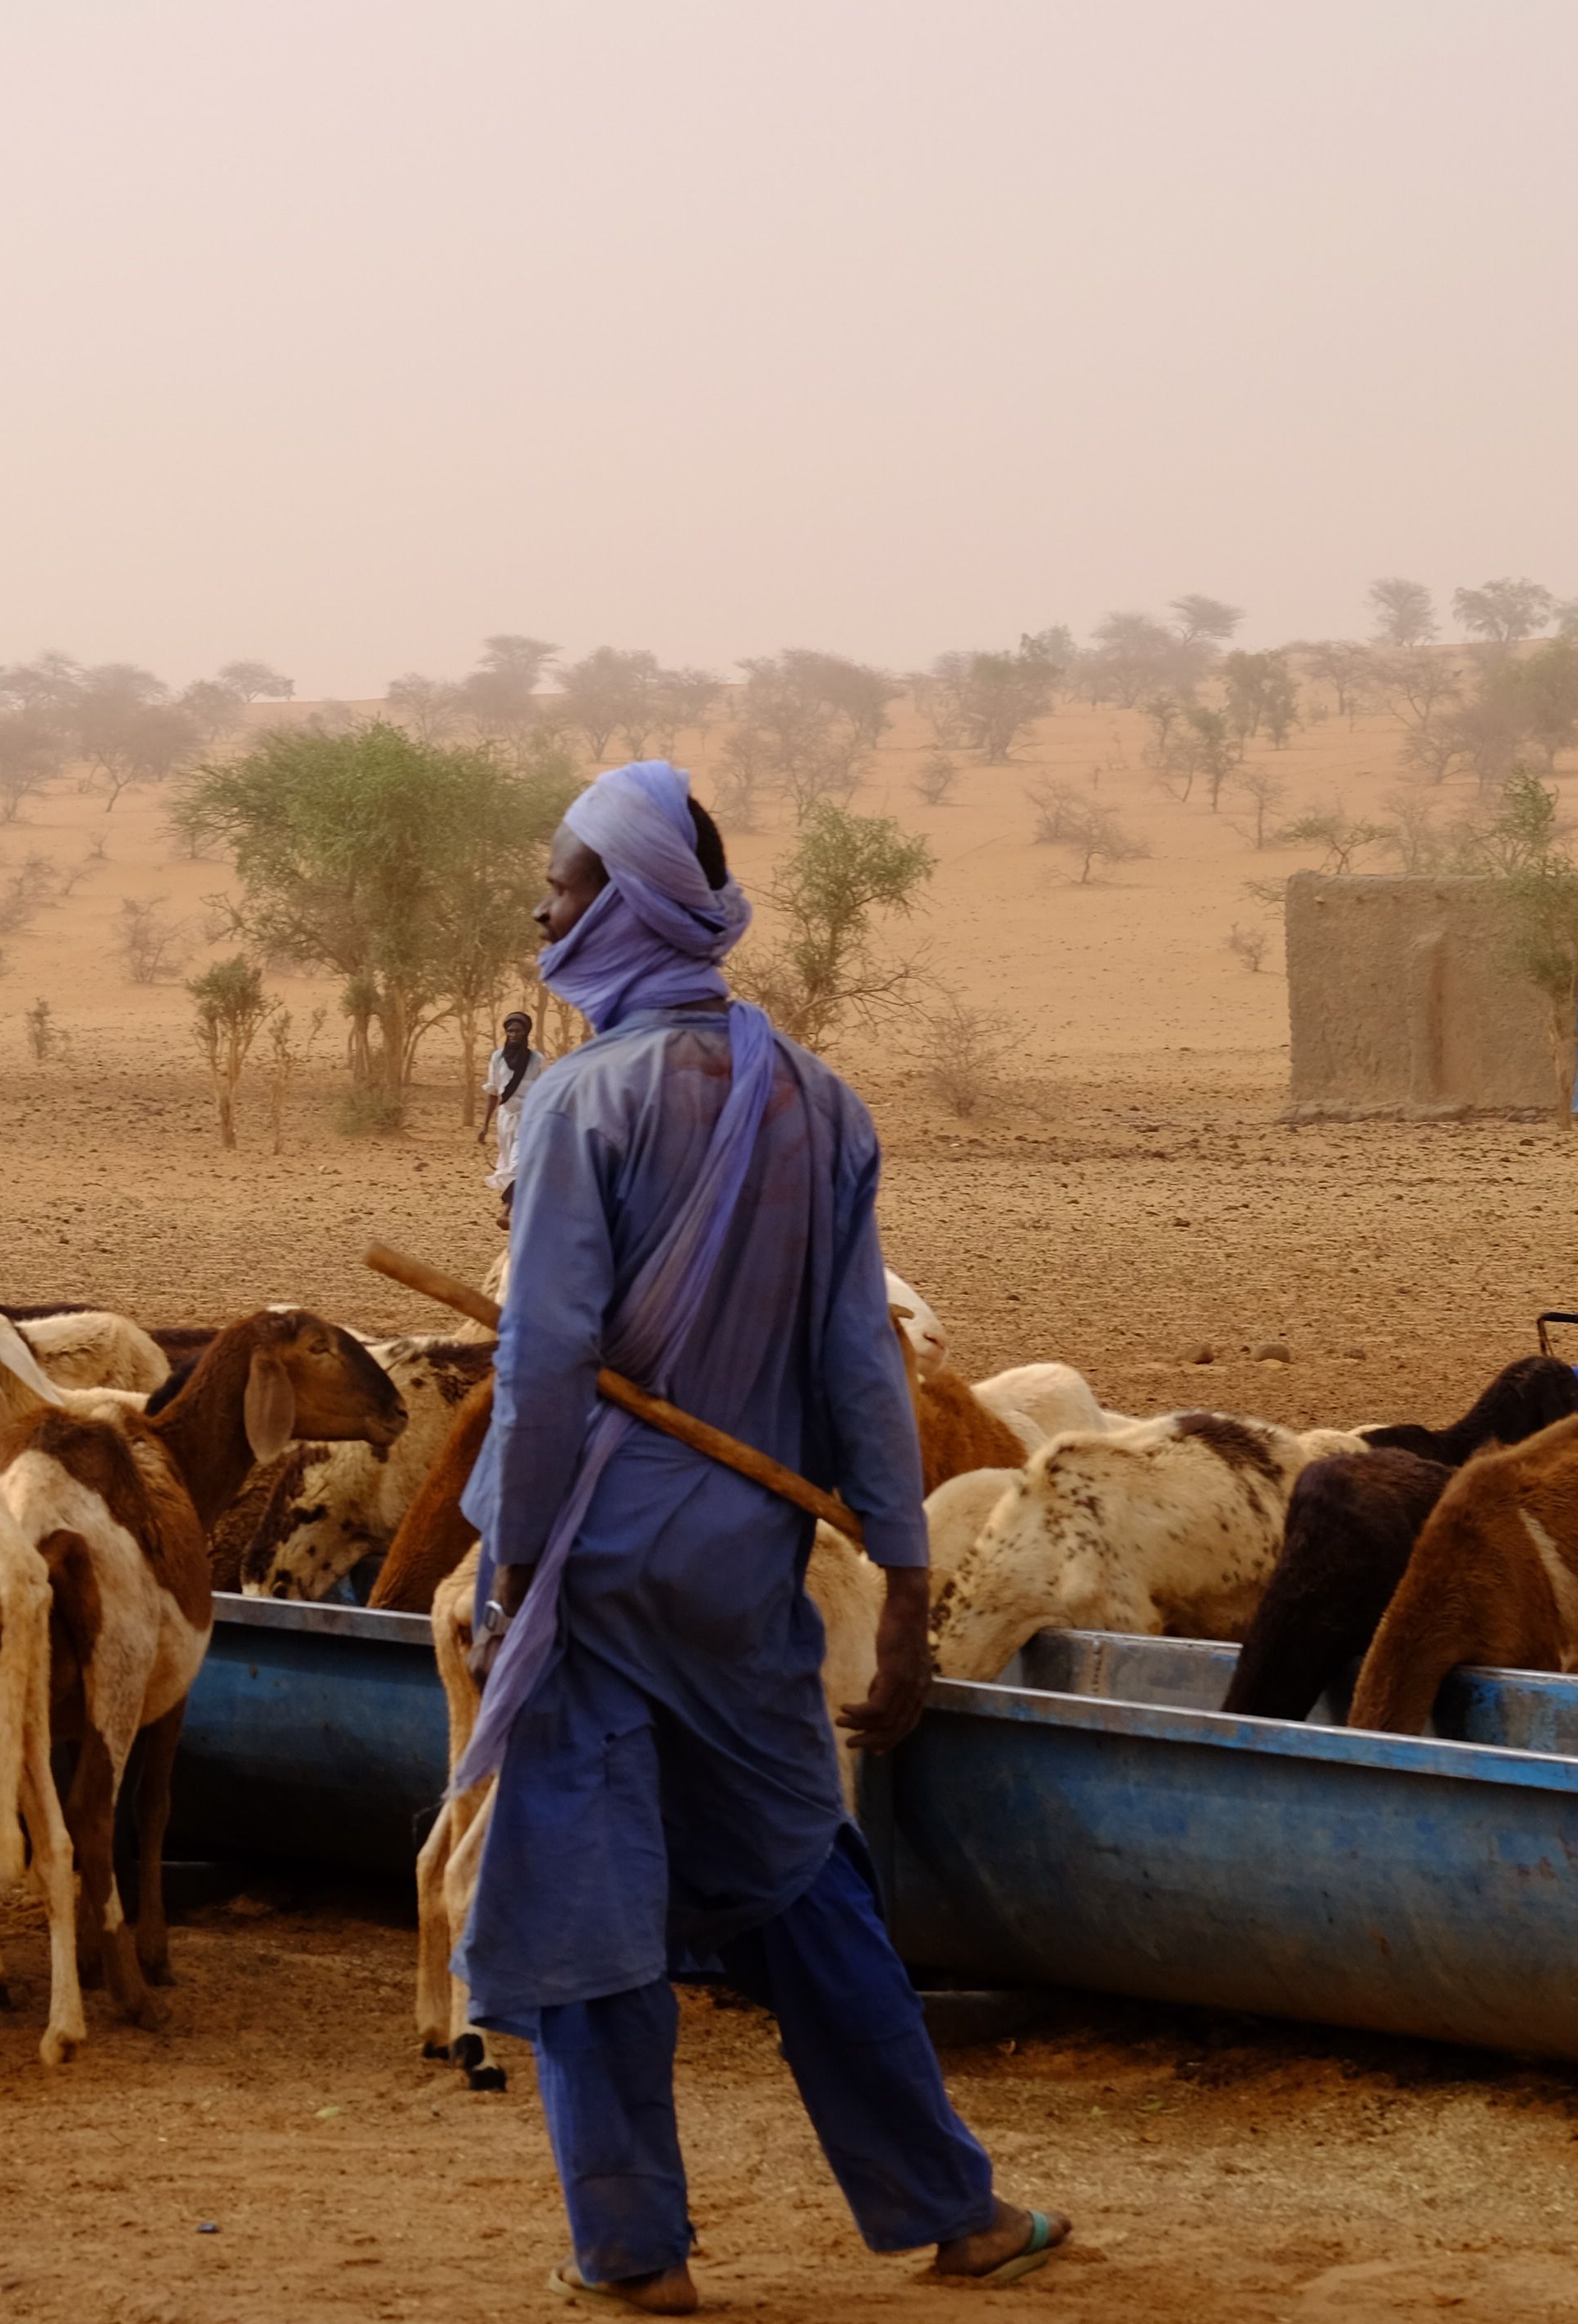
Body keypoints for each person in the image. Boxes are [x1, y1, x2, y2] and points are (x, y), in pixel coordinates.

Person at [458, 758, 1064, 2309]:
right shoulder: (819, 1097)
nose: (545, 905)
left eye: (570, 880)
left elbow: (538, 1364)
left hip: (595, 1563)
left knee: (585, 1890)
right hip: (741, 1570)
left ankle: (631, 2248)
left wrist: (512, 1561)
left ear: (642, 898)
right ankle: (955, 2206)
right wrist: (907, 1578)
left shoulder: (581, 1103)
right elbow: (866, 1361)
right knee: (801, 1872)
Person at [485, 1010, 542, 1203]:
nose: (514, 1035)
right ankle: (520, 1205)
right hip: (505, 1118)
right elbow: (493, 1092)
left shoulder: (537, 1060)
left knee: (518, 1164)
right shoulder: (498, 1058)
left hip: (528, 1119)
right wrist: (484, 1126)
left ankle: (507, 1210)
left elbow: (544, 1092)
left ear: (526, 1033)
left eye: (518, 1031)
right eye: (510, 1031)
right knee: (509, 1163)